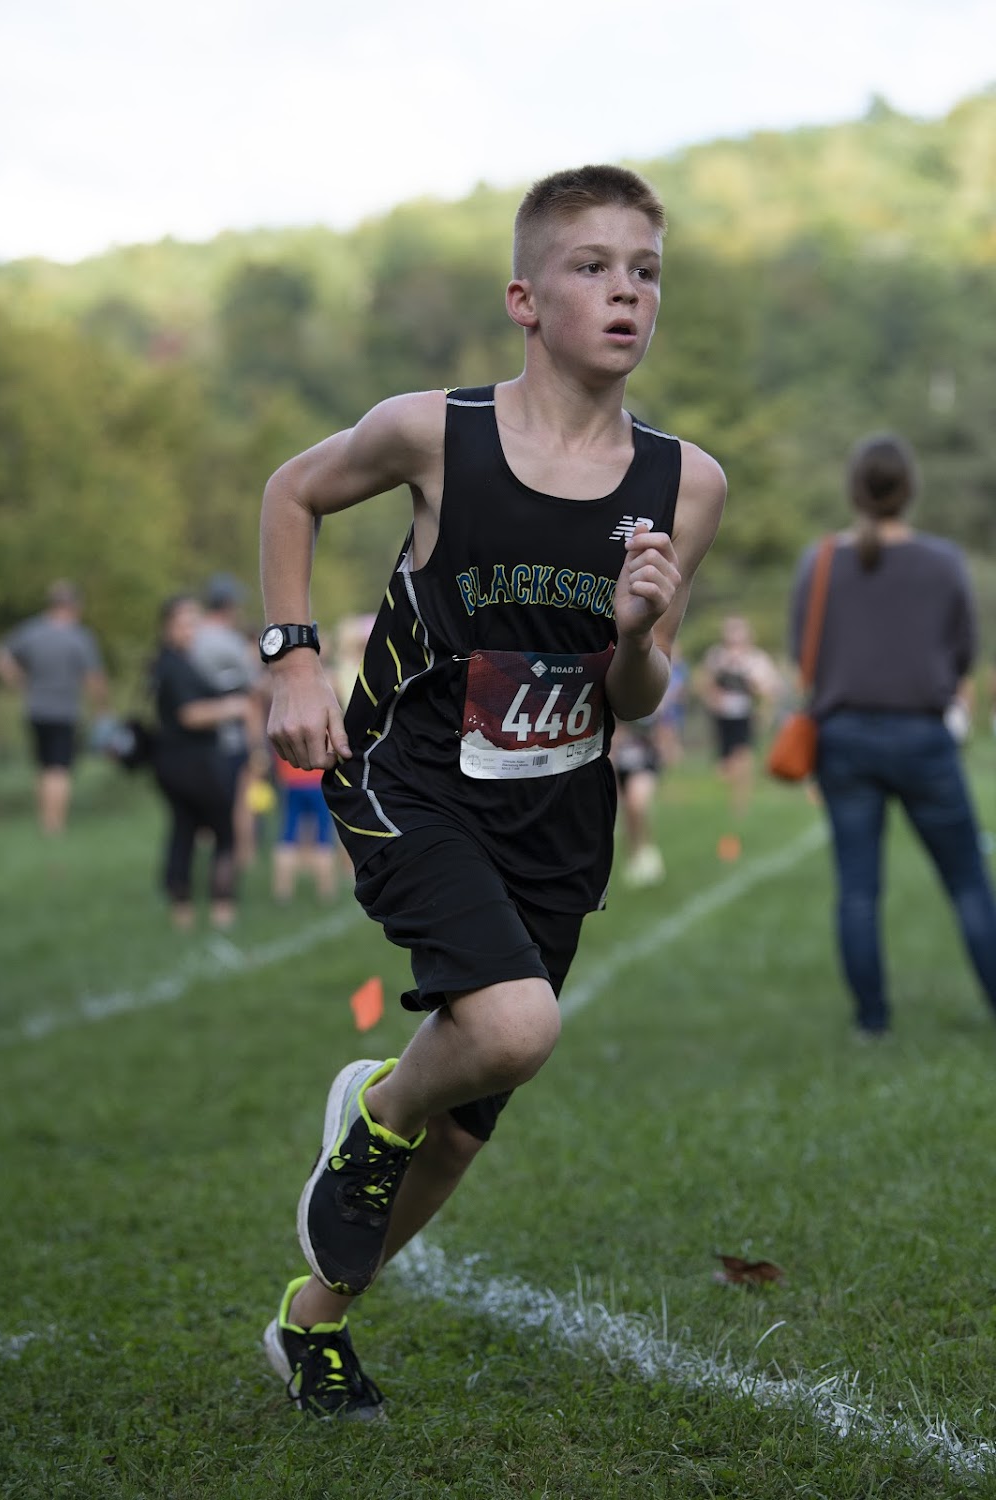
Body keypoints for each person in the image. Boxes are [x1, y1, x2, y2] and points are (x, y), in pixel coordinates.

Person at [258, 164, 727, 1419]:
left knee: (465, 1127)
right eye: (593, 267)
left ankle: (314, 1324)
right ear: (525, 299)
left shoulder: (686, 484)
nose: (626, 292)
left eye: (646, 272)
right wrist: (293, 659)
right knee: (514, 1027)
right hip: (411, 781)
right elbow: (292, 492)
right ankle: (375, 1107)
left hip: (559, 817)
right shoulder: (435, 433)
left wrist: (640, 634)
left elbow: (637, 698)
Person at [790, 433, 996, 1037]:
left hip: (843, 740)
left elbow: (803, 654)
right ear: (910, 489)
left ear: (854, 489)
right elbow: (964, 652)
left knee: (857, 890)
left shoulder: (820, 562)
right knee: (967, 881)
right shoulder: (943, 562)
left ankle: (872, 1023)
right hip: (923, 736)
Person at [151, 595, 253, 930]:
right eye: (183, 623)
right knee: (223, 831)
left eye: (194, 623)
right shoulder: (175, 666)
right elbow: (190, 715)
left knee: (184, 830)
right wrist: (233, 708)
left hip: (176, 763)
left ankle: (181, 912)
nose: (190, 630)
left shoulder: (175, 662)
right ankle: (223, 908)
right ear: (167, 626)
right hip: (193, 763)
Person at [0, 580, 109, 834]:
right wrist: (101, 708)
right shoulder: (79, 636)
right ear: (74, 606)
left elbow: (1, 656)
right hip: (65, 712)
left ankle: (44, 818)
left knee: (44, 766)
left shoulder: (31, 631)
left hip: (35, 709)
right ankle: (54, 824)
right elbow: (94, 677)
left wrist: (18, 681)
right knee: (59, 769)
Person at [189, 573, 264, 870]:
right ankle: (243, 857)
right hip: (232, 736)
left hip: (198, 736)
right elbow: (253, 690)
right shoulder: (231, 642)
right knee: (241, 801)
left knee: (203, 801)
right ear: (229, 605)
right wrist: (257, 745)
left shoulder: (192, 637)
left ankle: (204, 857)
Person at [698, 616, 779, 860]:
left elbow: (768, 689)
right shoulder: (717, 656)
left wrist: (760, 705)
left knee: (742, 760)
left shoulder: (756, 659)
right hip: (723, 718)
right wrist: (714, 698)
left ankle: (740, 806)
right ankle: (726, 802)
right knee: (725, 767)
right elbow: (705, 684)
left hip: (745, 716)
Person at [271, 751, 340, 902]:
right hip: (318, 779)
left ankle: (283, 892)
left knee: (288, 835)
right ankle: (326, 892)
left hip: (292, 780)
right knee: (323, 836)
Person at [611, 716, 666, 886]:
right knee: (627, 814)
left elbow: (660, 727)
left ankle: (646, 851)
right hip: (622, 764)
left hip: (644, 762)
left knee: (636, 803)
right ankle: (634, 855)